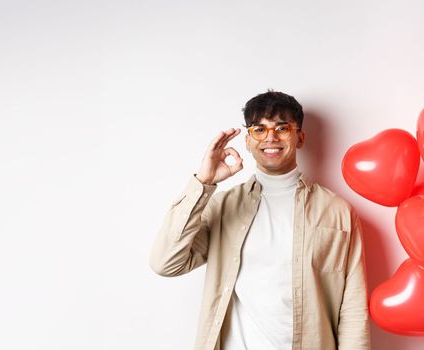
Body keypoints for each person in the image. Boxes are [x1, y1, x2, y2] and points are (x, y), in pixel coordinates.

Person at [149, 91, 370, 350]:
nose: (271, 137)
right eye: (259, 129)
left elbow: (353, 308)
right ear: (248, 140)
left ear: (300, 137)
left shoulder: (337, 212)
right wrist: (204, 182)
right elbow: (166, 263)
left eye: (282, 128)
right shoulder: (224, 206)